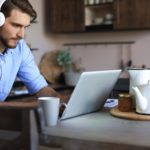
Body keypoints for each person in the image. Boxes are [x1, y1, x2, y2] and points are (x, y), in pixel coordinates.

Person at [0, 0, 59, 101]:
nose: (21, 35)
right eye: (16, 25)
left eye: (25, 27)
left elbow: (40, 87)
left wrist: (62, 105)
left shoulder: (20, 48)